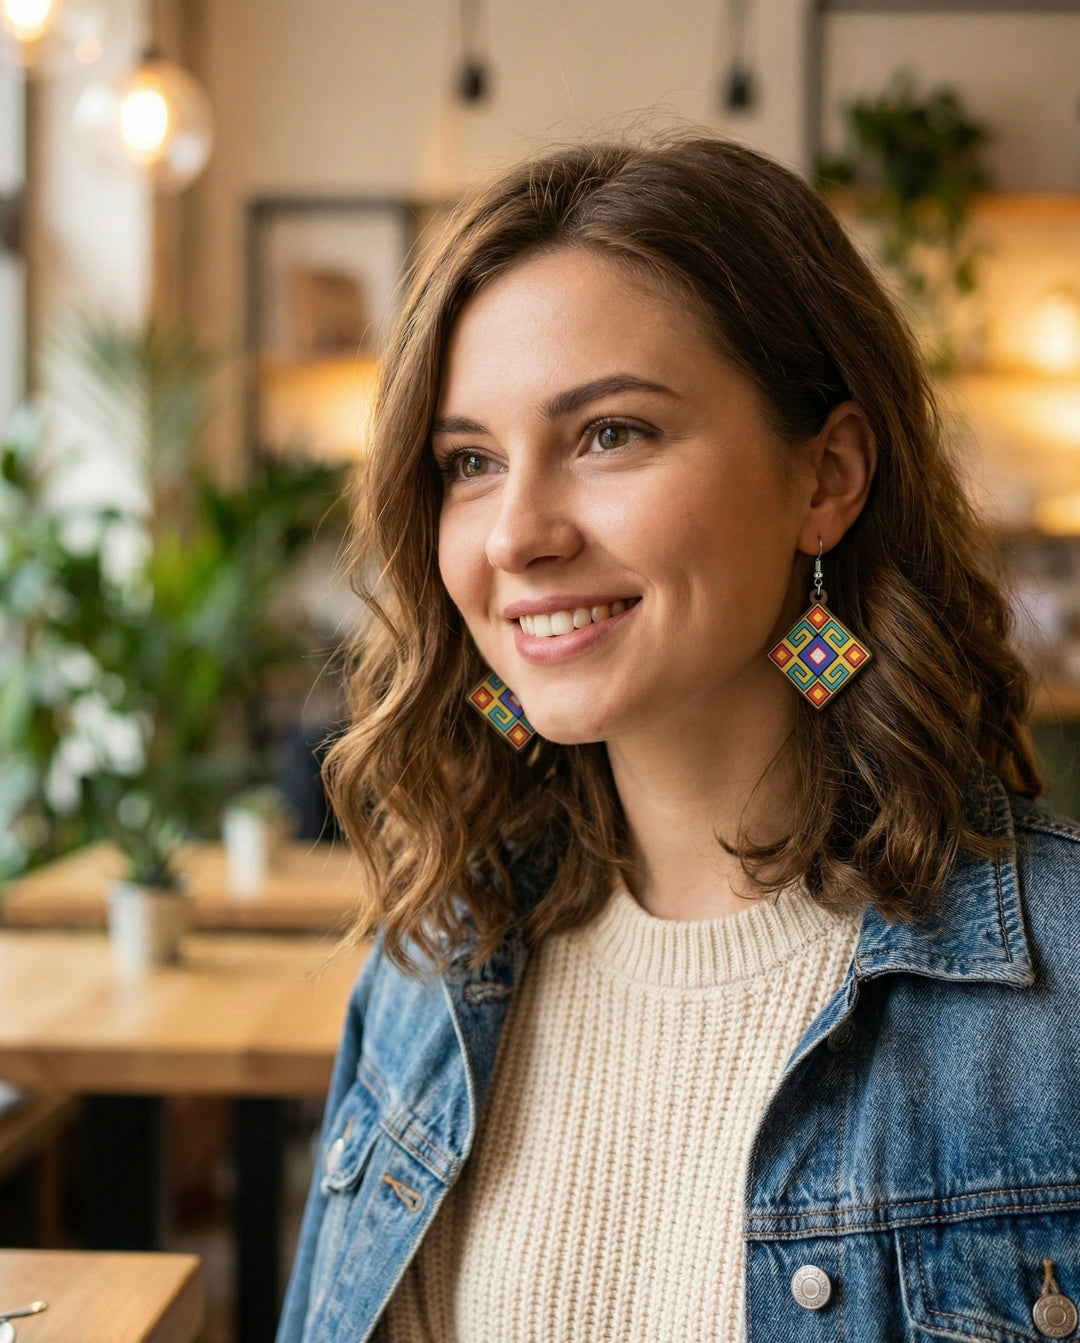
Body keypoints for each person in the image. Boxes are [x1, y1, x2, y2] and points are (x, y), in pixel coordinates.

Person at [276, 137, 1080, 1343]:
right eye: (470, 462)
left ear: (828, 476)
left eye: (611, 434)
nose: (517, 536)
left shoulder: (1057, 997)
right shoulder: (431, 965)